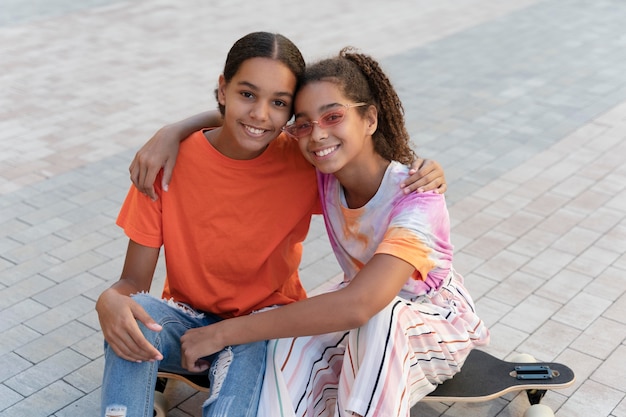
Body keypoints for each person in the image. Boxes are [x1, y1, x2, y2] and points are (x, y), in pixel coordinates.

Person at [97, 32, 446, 417]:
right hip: (189, 324)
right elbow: (132, 284)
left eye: (279, 103)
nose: (262, 114)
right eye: (247, 94)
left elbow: (366, 171)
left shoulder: (304, 161)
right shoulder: (164, 165)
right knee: (134, 315)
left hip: (263, 331)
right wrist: (111, 300)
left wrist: (423, 178)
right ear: (223, 89)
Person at [175, 48, 491, 417]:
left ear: (370, 118)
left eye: (334, 116)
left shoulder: (417, 198)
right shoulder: (322, 171)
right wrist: (172, 133)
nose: (318, 135)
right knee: (283, 342)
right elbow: (253, 121)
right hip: (360, 310)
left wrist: (223, 333)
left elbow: (361, 305)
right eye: (304, 123)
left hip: (433, 322)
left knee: (380, 319)